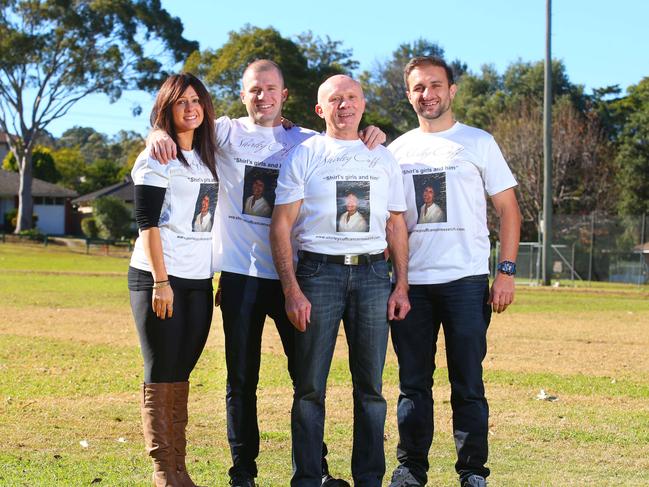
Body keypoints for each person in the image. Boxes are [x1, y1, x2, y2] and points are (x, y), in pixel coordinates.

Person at [148, 60, 386, 487]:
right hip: (240, 277)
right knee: (241, 380)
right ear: (243, 95)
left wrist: (373, 133)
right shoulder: (223, 132)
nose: (263, 96)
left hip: (297, 278)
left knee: (306, 379)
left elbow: (347, 137)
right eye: (255, 89)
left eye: (271, 89)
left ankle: (318, 471)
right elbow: (181, 126)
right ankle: (243, 474)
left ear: (285, 95)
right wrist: (157, 132)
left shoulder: (307, 139)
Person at [386, 57, 521, 487]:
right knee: (413, 384)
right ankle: (411, 469)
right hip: (412, 286)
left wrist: (505, 272)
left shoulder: (478, 142)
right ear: (409, 95)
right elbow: (392, 222)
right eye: (418, 88)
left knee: (468, 383)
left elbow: (508, 210)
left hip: (466, 282)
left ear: (452, 90)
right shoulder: (396, 151)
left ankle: (472, 471)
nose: (428, 94)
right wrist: (399, 282)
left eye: (435, 85)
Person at [270, 74, 411, 487]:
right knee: (310, 387)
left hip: (371, 275)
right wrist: (292, 290)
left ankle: (369, 479)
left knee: (371, 388)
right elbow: (281, 226)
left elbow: (396, 224)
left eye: (351, 98)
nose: (344, 106)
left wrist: (400, 285)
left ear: (363, 104)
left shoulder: (383, 157)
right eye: (335, 100)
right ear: (320, 109)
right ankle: (308, 480)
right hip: (318, 273)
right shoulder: (305, 154)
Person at [128, 73, 218, 487]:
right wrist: (161, 283)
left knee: (181, 371)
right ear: (167, 107)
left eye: (196, 100)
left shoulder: (206, 156)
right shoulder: (156, 156)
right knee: (161, 368)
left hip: (199, 279)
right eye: (181, 101)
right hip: (159, 278)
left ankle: (180, 468)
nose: (190, 108)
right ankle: (164, 471)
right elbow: (147, 221)